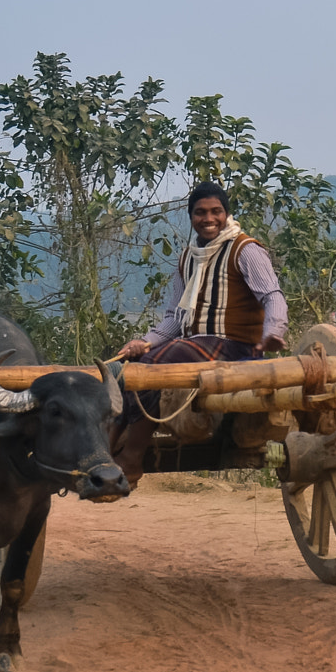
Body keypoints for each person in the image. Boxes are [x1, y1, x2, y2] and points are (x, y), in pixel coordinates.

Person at [109, 182, 288, 482]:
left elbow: (272, 296)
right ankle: (108, 449)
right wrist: (144, 342)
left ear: (227, 214)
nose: (208, 219)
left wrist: (273, 332)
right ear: (190, 216)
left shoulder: (246, 250)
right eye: (200, 212)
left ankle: (132, 458)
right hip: (196, 346)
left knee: (150, 367)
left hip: (235, 348)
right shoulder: (187, 258)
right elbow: (175, 318)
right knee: (126, 369)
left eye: (216, 211)